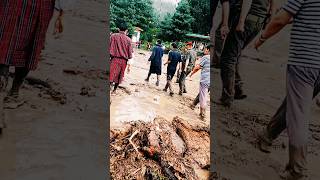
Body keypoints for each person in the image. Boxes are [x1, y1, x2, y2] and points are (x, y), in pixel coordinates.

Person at [255, 0, 320, 179]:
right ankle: (267, 136)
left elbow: (279, 20)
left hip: (305, 62)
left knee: (298, 115)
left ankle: (297, 169)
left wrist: (261, 38)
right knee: (293, 103)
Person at [0, 1, 64, 133]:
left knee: (5, 41)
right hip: (40, 5)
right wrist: (62, 12)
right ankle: (14, 93)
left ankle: (9, 90)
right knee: (30, 45)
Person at [218, 0, 274, 107]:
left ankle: (227, 97)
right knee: (235, 54)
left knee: (228, 58)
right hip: (259, 20)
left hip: (247, 17)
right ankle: (237, 88)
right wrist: (271, 15)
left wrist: (241, 21)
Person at [109, 20, 133, 94]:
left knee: (111, 74)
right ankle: (114, 91)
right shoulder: (129, 40)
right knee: (119, 76)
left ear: (118, 29)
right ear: (126, 30)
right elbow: (130, 55)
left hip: (114, 59)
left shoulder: (113, 36)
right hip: (123, 61)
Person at [190, 45, 210, 119]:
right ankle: (193, 104)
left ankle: (202, 114)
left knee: (203, 97)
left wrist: (192, 73)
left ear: (208, 50)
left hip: (205, 80)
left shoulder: (206, 57)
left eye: (205, 49)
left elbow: (197, 67)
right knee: (202, 94)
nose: (204, 50)